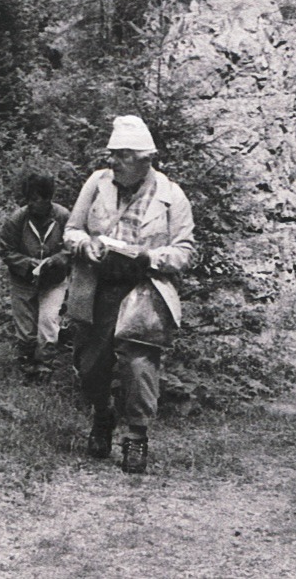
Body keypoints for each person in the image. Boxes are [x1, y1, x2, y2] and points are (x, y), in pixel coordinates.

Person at [64, 115, 194, 473]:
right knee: (90, 366)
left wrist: (149, 256)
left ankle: (136, 437)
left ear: (143, 159)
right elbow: (71, 229)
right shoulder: (97, 183)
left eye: (121, 154)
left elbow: (185, 251)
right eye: (111, 153)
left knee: (139, 365)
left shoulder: (171, 195)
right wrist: (85, 245)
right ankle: (102, 416)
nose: (112, 161)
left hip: (144, 289)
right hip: (98, 287)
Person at [0, 173, 71, 380]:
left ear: (48, 199)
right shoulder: (17, 219)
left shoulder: (63, 217)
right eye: (28, 199)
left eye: (36, 199)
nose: (31, 204)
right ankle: (26, 366)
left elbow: (72, 246)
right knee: (25, 327)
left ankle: (45, 367)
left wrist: (57, 259)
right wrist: (26, 263)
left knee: (48, 322)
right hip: (23, 279)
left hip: (54, 280)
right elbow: (5, 250)